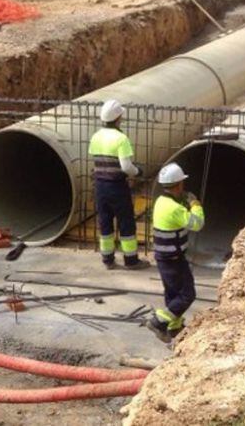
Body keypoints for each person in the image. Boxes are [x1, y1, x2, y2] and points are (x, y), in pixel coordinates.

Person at [88, 99, 150, 270]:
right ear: (118, 118)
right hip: (116, 186)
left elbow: (95, 161)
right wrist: (138, 172)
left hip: (100, 186)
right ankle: (131, 260)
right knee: (126, 222)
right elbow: (126, 167)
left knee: (105, 221)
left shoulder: (96, 137)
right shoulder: (121, 139)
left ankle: (107, 259)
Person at [146, 163, 205, 343]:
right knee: (187, 294)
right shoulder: (175, 209)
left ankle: (174, 327)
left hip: (165, 258)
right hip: (174, 259)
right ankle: (159, 322)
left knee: (173, 294)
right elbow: (197, 223)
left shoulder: (161, 202)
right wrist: (195, 205)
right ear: (178, 185)